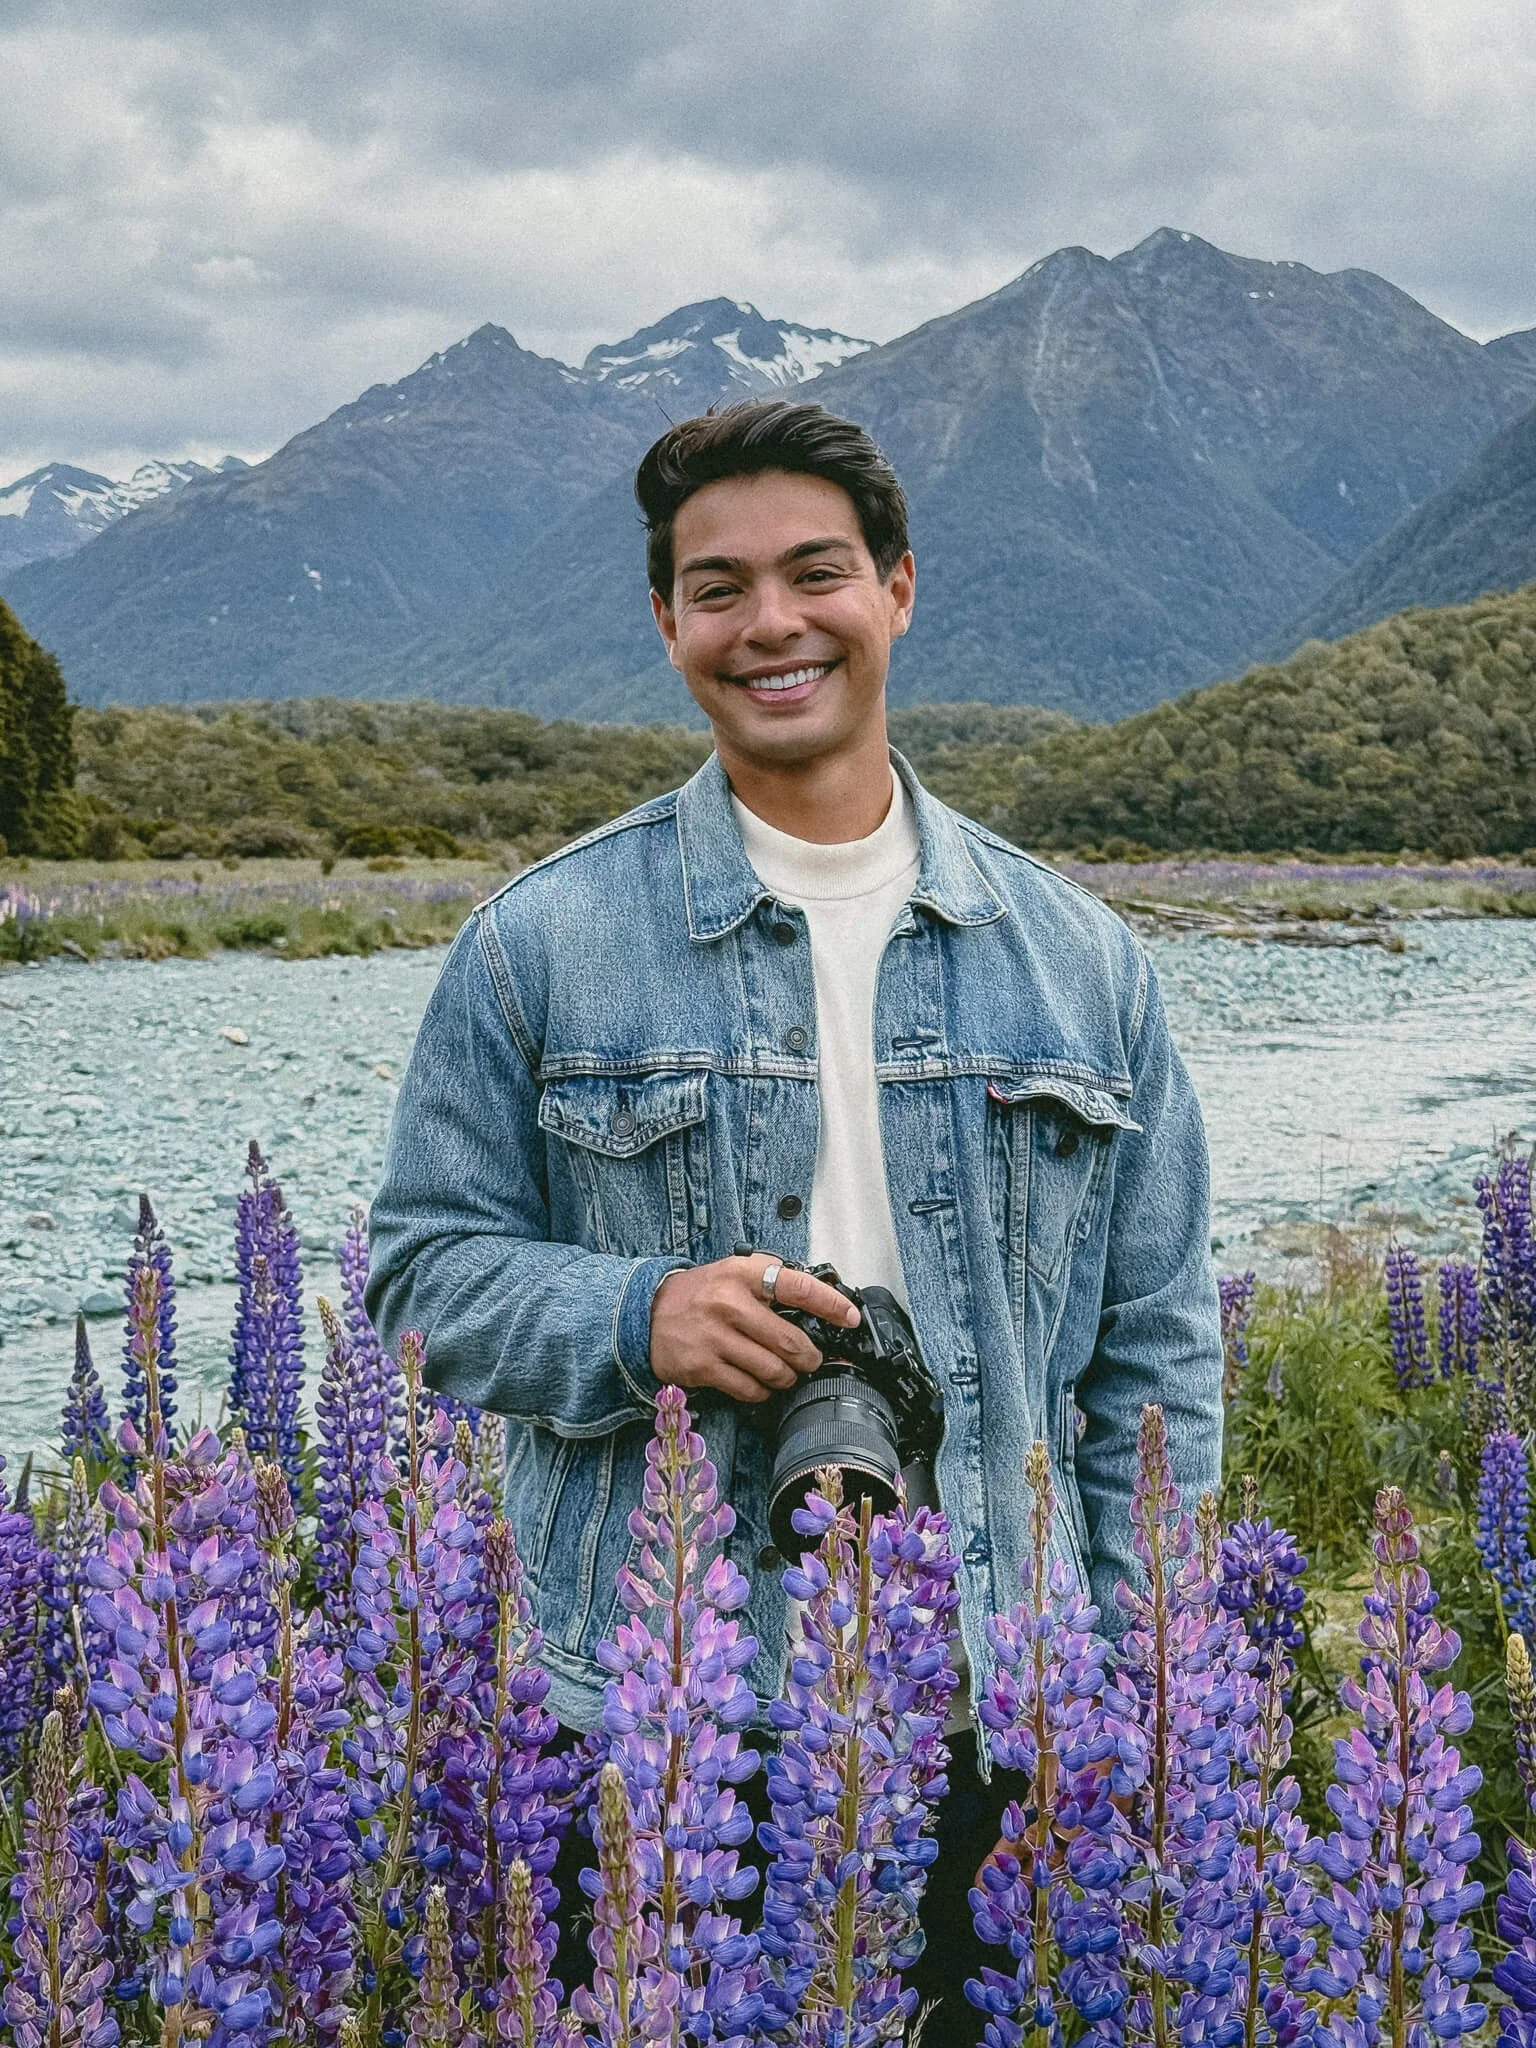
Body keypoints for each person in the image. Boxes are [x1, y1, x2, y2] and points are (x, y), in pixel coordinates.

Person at [366, 398, 1223, 2036]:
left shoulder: (1083, 959)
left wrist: (1133, 1673)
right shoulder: (534, 946)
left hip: (999, 1690)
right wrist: (639, 1319)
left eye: (815, 572)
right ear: (668, 622)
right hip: (661, 1717)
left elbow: (1155, 1358)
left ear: (898, 588)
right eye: (718, 587)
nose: (771, 622)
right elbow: (422, 1277)